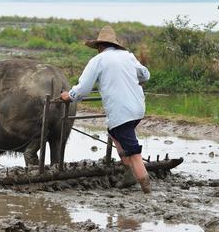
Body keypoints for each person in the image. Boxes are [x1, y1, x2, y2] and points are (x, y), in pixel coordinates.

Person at [60, 25, 151, 193]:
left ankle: (147, 190)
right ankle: (128, 173)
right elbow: (145, 75)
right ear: (115, 45)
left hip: (121, 112)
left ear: (100, 47)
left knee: (134, 152)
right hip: (138, 108)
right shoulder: (128, 56)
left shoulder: (98, 61)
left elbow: (84, 88)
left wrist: (69, 96)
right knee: (113, 133)